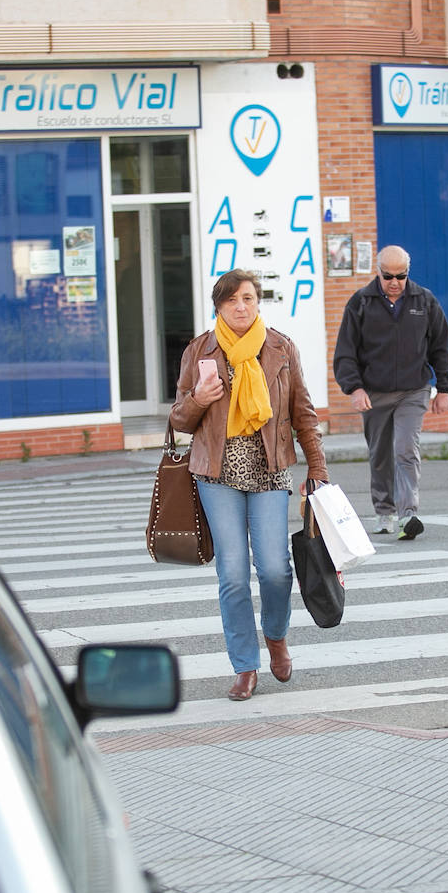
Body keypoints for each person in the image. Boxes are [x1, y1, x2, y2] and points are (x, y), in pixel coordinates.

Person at [170, 269, 328, 702]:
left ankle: (275, 635)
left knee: (276, 569)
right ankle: (244, 666)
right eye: (232, 300)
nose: (241, 306)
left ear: (258, 303)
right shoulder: (199, 350)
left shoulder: (280, 347)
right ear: (218, 306)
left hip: (270, 471)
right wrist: (199, 400)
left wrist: (318, 467)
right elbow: (178, 420)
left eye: (249, 298)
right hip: (217, 473)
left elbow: (303, 413)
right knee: (234, 574)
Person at [333, 245, 448, 540]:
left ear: (407, 273)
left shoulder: (424, 301)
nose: (394, 282)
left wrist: (444, 388)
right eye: (388, 276)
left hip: (413, 390)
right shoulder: (361, 303)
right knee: (380, 454)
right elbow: (345, 352)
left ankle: (407, 514)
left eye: (400, 276)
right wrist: (355, 388)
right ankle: (384, 511)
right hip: (374, 392)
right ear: (378, 272)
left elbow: (441, 345)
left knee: (405, 449)